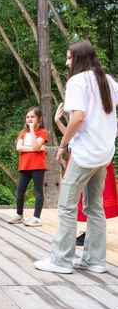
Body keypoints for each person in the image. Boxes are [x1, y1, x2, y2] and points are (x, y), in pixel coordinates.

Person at [35, 40, 118, 274]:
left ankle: (61, 260)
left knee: (67, 206)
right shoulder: (108, 81)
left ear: (79, 58)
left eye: (69, 58)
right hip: (104, 154)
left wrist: (63, 144)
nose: (66, 62)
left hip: (84, 154)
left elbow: (78, 117)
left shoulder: (77, 81)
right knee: (95, 206)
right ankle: (95, 261)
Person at [55, 100, 118, 246]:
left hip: (91, 156)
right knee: (90, 200)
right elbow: (73, 136)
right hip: (89, 154)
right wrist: (58, 121)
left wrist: (63, 145)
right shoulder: (87, 109)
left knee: (91, 200)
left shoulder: (97, 109)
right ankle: (91, 238)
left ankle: (87, 237)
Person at [8, 107, 48, 227]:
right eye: (27, 117)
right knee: (20, 191)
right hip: (24, 166)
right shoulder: (22, 133)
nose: (29, 119)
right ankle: (19, 215)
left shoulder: (42, 132)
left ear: (39, 119)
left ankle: (36, 218)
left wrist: (31, 130)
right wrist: (36, 149)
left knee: (38, 191)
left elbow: (36, 146)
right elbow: (18, 148)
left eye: (32, 117)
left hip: (38, 166)